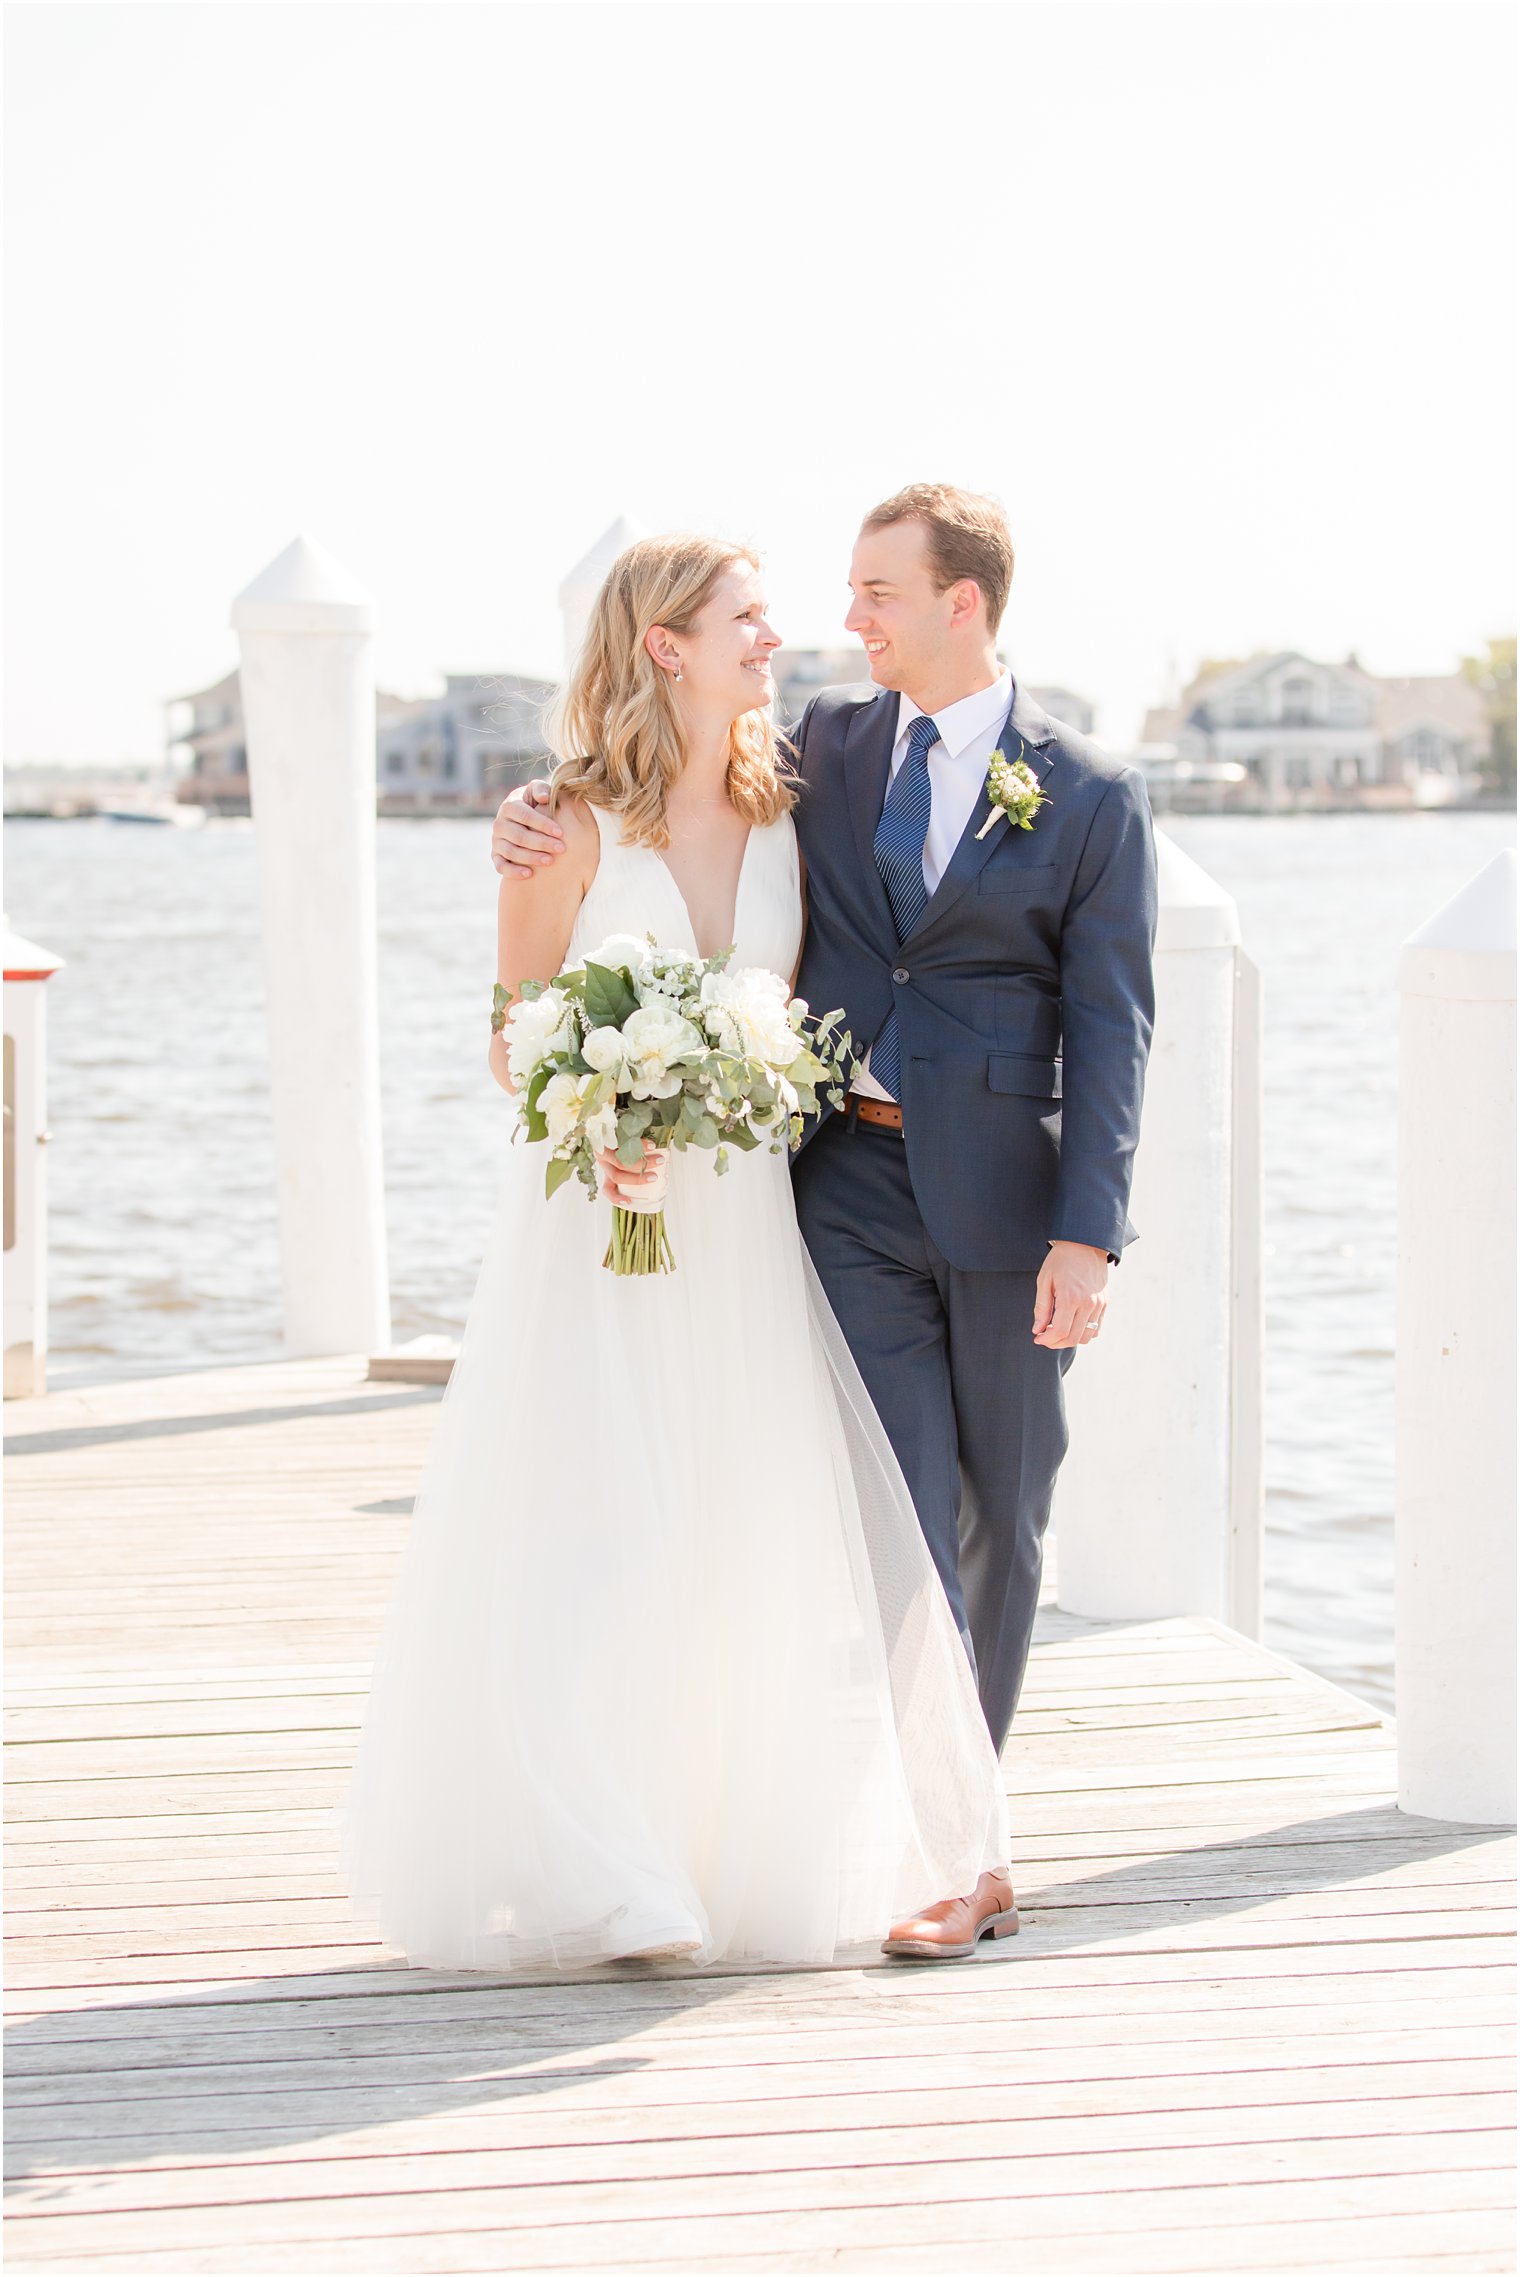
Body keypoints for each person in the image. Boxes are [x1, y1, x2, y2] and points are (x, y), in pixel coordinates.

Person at [491, 484, 1159, 1958]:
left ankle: (969, 1839)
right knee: (894, 1510)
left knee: (1003, 1516)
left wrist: (1090, 1233)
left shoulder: (1090, 793)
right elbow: (629, 791)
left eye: (875, 594)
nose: (839, 622)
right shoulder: (827, 752)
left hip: (1008, 1204)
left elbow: (1115, 1030)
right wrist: (537, 805)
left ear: (960, 603)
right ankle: (931, 1840)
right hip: (838, 1187)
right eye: (826, 598)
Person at [336, 531, 1012, 1973]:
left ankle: (713, 1848)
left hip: (748, 1230)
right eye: (750, 618)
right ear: (666, 645)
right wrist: (599, 1123)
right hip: (601, 1223)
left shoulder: (795, 805)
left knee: (730, 1534)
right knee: (599, 1531)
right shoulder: (566, 823)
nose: (779, 639)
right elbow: (511, 1030)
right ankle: (601, 1863)